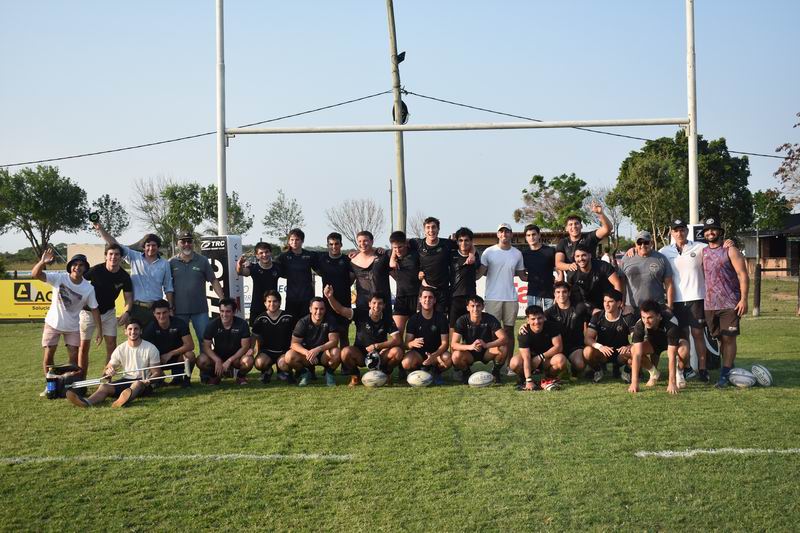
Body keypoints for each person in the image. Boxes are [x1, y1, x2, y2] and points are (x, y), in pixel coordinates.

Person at [33, 248, 102, 391]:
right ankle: (50, 386)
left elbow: (94, 309)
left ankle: (69, 386)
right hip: (53, 324)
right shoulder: (59, 278)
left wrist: (99, 331)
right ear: (70, 266)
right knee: (49, 354)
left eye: (81, 265)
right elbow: (35, 274)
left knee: (73, 358)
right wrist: (42, 261)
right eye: (75, 264)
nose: (77, 267)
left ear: (85, 268)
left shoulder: (88, 288)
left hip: (72, 327)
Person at [66, 319, 163, 408]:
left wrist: (149, 380)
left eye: (136, 329)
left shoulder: (150, 348)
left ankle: (122, 400)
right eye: (130, 329)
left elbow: (157, 372)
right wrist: (108, 372)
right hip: (126, 380)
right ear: (125, 331)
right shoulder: (120, 349)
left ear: (141, 331)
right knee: (104, 386)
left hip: (143, 383)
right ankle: (87, 402)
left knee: (137, 384)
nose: (133, 332)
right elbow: (107, 370)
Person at [94, 221, 174, 327]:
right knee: (134, 337)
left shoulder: (165, 263)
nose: (151, 248)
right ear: (143, 247)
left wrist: (170, 308)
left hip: (156, 309)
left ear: (158, 247)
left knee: (155, 337)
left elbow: (168, 287)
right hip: (136, 308)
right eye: (148, 245)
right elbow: (115, 244)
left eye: (154, 245)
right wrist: (100, 229)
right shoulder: (134, 257)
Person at [659, 219, 710, 382]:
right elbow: (649, 255)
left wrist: (728, 243)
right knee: (682, 335)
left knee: (698, 334)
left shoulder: (700, 247)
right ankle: (686, 368)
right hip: (676, 300)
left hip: (696, 297)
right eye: (676, 230)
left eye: (682, 230)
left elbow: (717, 248)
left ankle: (703, 369)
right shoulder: (664, 251)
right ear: (671, 233)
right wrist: (632, 250)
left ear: (687, 231)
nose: (679, 233)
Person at [701, 217, 749, 389]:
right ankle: (729, 366)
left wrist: (744, 299)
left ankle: (724, 374)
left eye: (713, 229)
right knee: (721, 339)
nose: (710, 232)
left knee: (729, 338)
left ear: (720, 232)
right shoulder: (702, 251)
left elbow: (743, 274)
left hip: (730, 303)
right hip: (710, 305)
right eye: (707, 230)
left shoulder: (730, 250)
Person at [324, 286, 402, 386]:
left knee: (398, 352)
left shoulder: (387, 318)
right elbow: (340, 310)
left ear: (384, 305)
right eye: (374, 303)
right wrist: (330, 297)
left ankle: (385, 374)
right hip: (361, 354)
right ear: (369, 304)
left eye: (380, 303)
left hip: (380, 354)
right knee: (345, 352)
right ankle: (355, 376)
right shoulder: (360, 313)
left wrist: (377, 346)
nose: (377, 306)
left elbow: (397, 340)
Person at [78, 243, 133, 372]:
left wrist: (127, 313)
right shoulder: (95, 270)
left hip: (108, 313)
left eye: (117, 254)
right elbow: (77, 282)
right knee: (83, 347)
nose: (113, 257)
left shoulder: (124, 276)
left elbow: (128, 299)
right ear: (105, 256)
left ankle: (107, 378)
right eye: (111, 254)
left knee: (112, 346)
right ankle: (81, 379)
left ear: (121, 257)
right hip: (88, 313)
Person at [478, 223, 526, 359]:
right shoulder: (488, 252)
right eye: (501, 232)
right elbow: (479, 273)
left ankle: (509, 364)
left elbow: (523, 276)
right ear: (497, 234)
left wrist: (544, 275)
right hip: (492, 298)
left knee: (509, 331)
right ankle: (497, 364)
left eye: (507, 231)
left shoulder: (517, 254)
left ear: (511, 234)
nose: (504, 234)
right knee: (494, 332)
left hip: (511, 298)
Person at [409, 216, 474, 315]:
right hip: (426, 288)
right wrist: (392, 258)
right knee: (422, 319)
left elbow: (467, 243)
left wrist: (472, 254)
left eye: (434, 227)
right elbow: (400, 244)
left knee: (440, 320)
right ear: (424, 230)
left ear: (438, 229)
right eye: (428, 227)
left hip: (442, 291)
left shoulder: (447, 244)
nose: (431, 230)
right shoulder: (417, 243)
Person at [170, 232, 224, 348]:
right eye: (183, 242)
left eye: (189, 241)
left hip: (200, 310)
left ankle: (205, 360)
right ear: (178, 244)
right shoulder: (171, 262)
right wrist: (169, 306)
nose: (186, 244)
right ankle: (185, 361)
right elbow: (167, 286)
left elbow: (213, 280)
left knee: (205, 341)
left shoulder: (202, 260)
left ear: (193, 243)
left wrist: (222, 299)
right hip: (178, 311)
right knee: (179, 343)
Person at [627, 299, 690, 394]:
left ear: (659, 317)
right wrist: (634, 383)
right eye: (643, 317)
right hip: (655, 342)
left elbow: (671, 355)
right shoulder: (639, 325)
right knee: (633, 350)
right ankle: (654, 373)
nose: (646, 321)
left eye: (650, 318)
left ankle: (679, 373)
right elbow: (637, 354)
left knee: (684, 348)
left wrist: (672, 383)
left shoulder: (670, 323)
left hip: (675, 342)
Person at [284, 297, 341, 387]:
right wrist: (307, 353)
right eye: (316, 308)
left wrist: (318, 349)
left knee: (336, 352)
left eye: (321, 309)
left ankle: (329, 374)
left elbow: (334, 341)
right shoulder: (303, 322)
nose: (318, 312)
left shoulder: (331, 320)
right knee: (289, 356)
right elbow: (294, 344)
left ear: (325, 310)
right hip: (307, 356)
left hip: (324, 354)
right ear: (310, 309)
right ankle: (305, 373)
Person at [450, 296, 508, 384]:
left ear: (483, 307)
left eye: (478, 306)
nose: (475, 309)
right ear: (467, 308)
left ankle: (496, 372)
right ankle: (466, 373)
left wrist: (486, 345)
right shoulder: (462, 320)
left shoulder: (489, 318)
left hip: (487, 351)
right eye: (472, 306)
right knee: (456, 355)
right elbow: (454, 344)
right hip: (470, 353)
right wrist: (470, 347)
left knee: (503, 348)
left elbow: (504, 338)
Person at [509, 305, 567, 391]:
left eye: (539, 318)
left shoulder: (552, 326)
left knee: (561, 360)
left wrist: (540, 357)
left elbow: (558, 347)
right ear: (527, 320)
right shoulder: (524, 333)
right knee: (514, 363)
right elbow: (526, 358)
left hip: (547, 359)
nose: (537, 322)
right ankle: (524, 379)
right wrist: (529, 380)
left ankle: (549, 378)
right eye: (533, 319)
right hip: (530, 360)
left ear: (544, 317)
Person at [583, 289, 636, 383]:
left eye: (610, 301)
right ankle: (598, 370)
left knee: (637, 351)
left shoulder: (627, 317)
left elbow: (637, 339)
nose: (606, 304)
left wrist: (629, 346)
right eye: (605, 301)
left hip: (621, 353)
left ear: (619, 303)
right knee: (587, 351)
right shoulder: (598, 316)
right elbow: (588, 338)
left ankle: (627, 371)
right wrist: (600, 347)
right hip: (604, 353)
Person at [402, 287, 452, 385]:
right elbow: (406, 344)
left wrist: (434, 356)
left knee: (448, 359)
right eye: (425, 297)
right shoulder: (413, 319)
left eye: (430, 297)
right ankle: (420, 370)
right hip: (419, 354)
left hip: (437, 353)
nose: (427, 300)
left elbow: (445, 343)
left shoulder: (441, 318)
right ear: (420, 300)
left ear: (434, 300)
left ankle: (436, 371)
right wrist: (412, 343)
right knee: (406, 363)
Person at [197, 298, 253, 385]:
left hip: (236, 357)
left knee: (248, 360)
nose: (224, 314)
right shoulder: (212, 324)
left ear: (234, 312)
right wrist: (217, 360)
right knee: (201, 360)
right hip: (218, 355)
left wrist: (229, 360)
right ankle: (215, 376)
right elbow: (206, 347)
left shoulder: (242, 324)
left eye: (228, 311)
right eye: (222, 311)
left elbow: (245, 347)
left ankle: (240, 376)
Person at [313, 232, 354, 347]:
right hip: (327, 303)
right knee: (328, 337)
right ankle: (330, 359)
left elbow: (352, 278)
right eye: (331, 244)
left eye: (336, 244)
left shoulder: (347, 260)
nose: (334, 246)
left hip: (344, 301)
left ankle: (346, 359)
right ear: (327, 245)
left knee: (344, 335)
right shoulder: (322, 259)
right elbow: (318, 271)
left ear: (341, 245)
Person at [142, 299, 195, 387]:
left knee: (190, 355)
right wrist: (155, 359)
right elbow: (143, 348)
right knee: (144, 359)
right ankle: (158, 380)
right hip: (158, 360)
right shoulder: (150, 327)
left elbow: (190, 345)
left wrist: (170, 353)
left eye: (164, 312)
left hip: (176, 357)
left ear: (169, 311)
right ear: (154, 314)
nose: (162, 316)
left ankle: (186, 379)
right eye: (158, 313)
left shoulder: (179, 323)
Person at [544, 281, 591, 377]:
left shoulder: (580, 307)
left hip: (575, 346)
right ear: (554, 294)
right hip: (557, 348)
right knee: (559, 364)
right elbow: (535, 322)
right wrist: (524, 326)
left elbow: (596, 313)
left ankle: (574, 369)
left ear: (569, 293)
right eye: (558, 292)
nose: (561, 295)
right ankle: (561, 370)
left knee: (580, 365)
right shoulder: (549, 313)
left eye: (564, 292)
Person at [619, 230, 674, 313]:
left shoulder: (661, 258)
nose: (643, 245)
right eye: (639, 243)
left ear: (651, 243)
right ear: (635, 244)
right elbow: (622, 283)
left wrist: (670, 305)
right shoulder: (626, 259)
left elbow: (668, 283)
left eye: (646, 242)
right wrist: (622, 303)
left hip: (656, 307)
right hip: (632, 307)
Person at [250, 290, 295, 384]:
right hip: (267, 352)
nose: (272, 304)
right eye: (269, 301)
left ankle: (287, 373)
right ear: (265, 303)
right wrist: (251, 349)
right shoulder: (261, 318)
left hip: (284, 351)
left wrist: (294, 349)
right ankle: (268, 371)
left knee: (283, 364)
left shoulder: (289, 316)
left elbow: (297, 334)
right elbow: (254, 335)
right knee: (259, 363)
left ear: (280, 302)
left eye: (275, 301)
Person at [566, 244, 623, 314]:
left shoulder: (603, 266)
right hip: (587, 305)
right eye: (577, 256)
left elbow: (617, 283)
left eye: (583, 255)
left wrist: (618, 304)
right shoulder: (572, 273)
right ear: (574, 258)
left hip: (606, 302)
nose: (580, 259)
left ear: (590, 255)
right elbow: (569, 294)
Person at [277, 228, 317, 327]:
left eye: (297, 239)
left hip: (307, 297)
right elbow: (269, 265)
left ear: (302, 241)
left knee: (307, 326)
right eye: (292, 240)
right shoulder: (283, 257)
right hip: (291, 298)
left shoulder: (309, 255)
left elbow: (324, 262)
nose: (294, 242)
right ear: (289, 241)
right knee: (291, 327)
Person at [555, 202, 612, 271]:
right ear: (566, 228)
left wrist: (600, 213)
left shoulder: (590, 237)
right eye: (570, 224)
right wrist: (569, 266)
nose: (574, 226)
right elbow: (558, 263)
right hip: (573, 276)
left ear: (581, 226)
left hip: (592, 275)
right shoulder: (563, 242)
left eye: (576, 223)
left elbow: (607, 229)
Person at [236, 241, 281, 325]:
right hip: (256, 307)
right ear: (257, 255)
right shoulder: (254, 267)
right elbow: (241, 272)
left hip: (273, 306)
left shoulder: (277, 267)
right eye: (261, 253)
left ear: (270, 253)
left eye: (266, 252)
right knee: (255, 332)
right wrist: (239, 264)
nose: (264, 255)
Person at [448, 227, 483, 333]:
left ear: (471, 242)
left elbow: (480, 268)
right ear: (457, 242)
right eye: (461, 240)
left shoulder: (475, 256)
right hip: (454, 298)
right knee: (453, 329)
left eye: (467, 240)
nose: (463, 243)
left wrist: (472, 254)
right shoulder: (451, 255)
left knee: (471, 330)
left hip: (471, 298)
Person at [351, 230, 392, 313]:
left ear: (372, 242)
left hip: (382, 303)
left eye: (365, 241)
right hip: (363, 304)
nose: (362, 243)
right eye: (359, 241)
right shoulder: (352, 261)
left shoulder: (383, 257)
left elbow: (396, 251)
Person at [388, 230, 421, 334]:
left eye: (400, 247)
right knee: (397, 333)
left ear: (406, 243)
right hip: (401, 298)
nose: (397, 250)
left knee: (417, 333)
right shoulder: (389, 255)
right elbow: (372, 251)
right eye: (395, 248)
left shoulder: (416, 254)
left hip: (417, 297)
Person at [522, 224, 556, 310]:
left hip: (549, 293)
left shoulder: (550, 251)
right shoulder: (524, 254)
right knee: (533, 317)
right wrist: (533, 279)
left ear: (539, 235)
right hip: (532, 293)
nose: (531, 237)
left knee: (550, 318)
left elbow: (559, 270)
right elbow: (522, 274)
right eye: (528, 235)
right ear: (526, 237)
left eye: (534, 234)